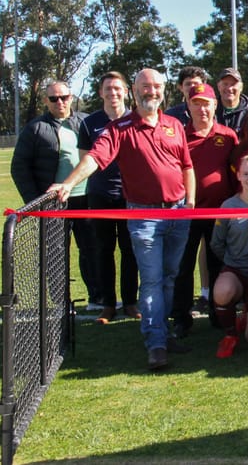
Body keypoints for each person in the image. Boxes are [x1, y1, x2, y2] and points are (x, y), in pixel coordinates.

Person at [49, 68, 195, 371]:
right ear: (134, 90)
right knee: (152, 280)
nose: (151, 91)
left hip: (179, 213)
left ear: (163, 90)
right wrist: (68, 182)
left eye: (156, 86)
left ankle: (163, 333)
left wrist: (190, 203)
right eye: (145, 86)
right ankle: (155, 343)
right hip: (144, 217)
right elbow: (93, 158)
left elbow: (186, 166)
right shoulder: (120, 128)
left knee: (170, 277)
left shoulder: (174, 125)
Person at [12, 80, 100, 308]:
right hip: (53, 202)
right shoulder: (35, 128)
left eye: (64, 97)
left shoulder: (85, 122)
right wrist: (35, 202)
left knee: (91, 248)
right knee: (56, 253)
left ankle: (96, 297)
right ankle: (61, 302)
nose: (59, 102)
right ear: (46, 101)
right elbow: (19, 167)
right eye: (53, 98)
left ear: (71, 98)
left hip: (86, 198)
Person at [173, 82, 238, 338]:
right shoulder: (179, 135)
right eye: (196, 103)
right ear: (188, 106)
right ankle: (181, 318)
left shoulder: (228, 136)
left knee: (218, 265)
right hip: (186, 213)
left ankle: (217, 313)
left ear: (215, 105)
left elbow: (235, 174)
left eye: (206, 103)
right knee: (183, 266)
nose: (202, 109)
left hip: (219, 215)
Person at [78, 72, 139, 323]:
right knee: (103, 249)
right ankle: (107, 304)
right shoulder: (89, 123)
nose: (113, 93)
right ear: (101, 92)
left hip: (130, 195)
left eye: (117, 88)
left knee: (130, 250)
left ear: (126, 91)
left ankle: (130, 302)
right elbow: (86, 159)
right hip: (100, 194)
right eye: (108, 89)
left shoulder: (135, 120)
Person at [210, 151, 248, 358]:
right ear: (238, 176)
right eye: (247, 174)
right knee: (222, 291)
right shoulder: (228, 206)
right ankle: (230, 334)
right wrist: (230, 262)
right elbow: (216, 243)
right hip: (235, 269)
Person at [215, 68, 248, 133]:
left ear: (241, 87)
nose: (229, 88)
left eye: (233, 84)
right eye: (225, 84)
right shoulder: (210, 111)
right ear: (218, 86)